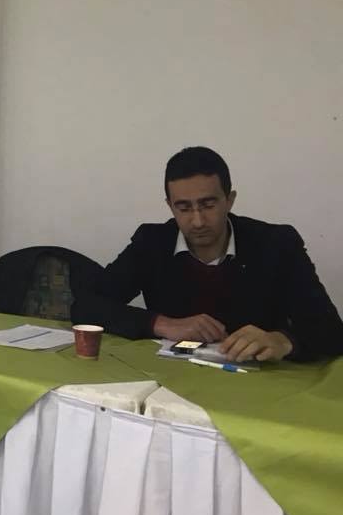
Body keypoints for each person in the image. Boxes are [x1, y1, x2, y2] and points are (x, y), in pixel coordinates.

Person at [71, 146, 343, 362]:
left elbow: (331, 330)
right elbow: (86, 306)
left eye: (208, 205)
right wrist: (161, 324)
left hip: (258, 384)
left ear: (229, 200)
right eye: (184, 208)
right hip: (172, 379)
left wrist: (282, 341)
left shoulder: (276, 244)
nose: (198, 221)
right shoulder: (152, 242)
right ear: (170, 206)